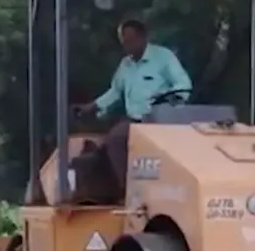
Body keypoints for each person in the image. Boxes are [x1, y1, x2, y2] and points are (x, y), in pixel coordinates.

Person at [72, 19, 192, 202]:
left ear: (143, 37)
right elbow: (115, 92)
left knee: (118, 139)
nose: (127, 46)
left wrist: (170, 99)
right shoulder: (126, 65)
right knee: (109, 143)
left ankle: (139, 189)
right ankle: (126, 190)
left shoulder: (163, 57)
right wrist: (92, 106)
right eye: (124, 42)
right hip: (135, 121)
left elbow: (183, 84)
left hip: (161, 120)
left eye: (131, 40)